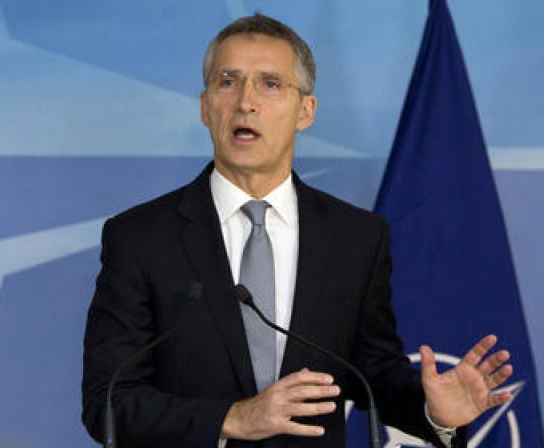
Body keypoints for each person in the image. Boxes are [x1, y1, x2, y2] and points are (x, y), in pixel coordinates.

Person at [82, 13, 513, 448]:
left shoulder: (356, 239)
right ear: (205, 106)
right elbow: (108, 403)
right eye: (227, 81)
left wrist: (430, 410)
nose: (245, 101)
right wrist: (232, 418)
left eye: (270, 84)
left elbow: (374, 373)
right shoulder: (140, 238)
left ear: (305, 111)